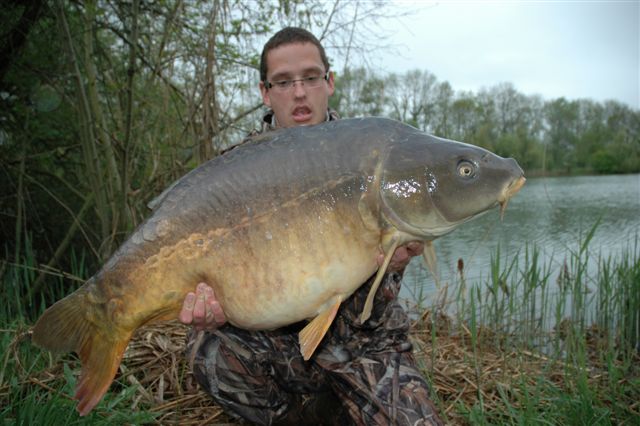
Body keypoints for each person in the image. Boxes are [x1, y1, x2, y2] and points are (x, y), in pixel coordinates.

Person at [178, 27, 444, 425]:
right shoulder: (235, 173)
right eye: (283, 82)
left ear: (329, 82)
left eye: (310, 77)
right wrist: (218, 307)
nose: (299, 92)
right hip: (275, 345)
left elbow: (373, 312)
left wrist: (392, 264)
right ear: (265, 92)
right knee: (208, 350)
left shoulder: (373, 156)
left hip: (363, 346)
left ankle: (339, 403)